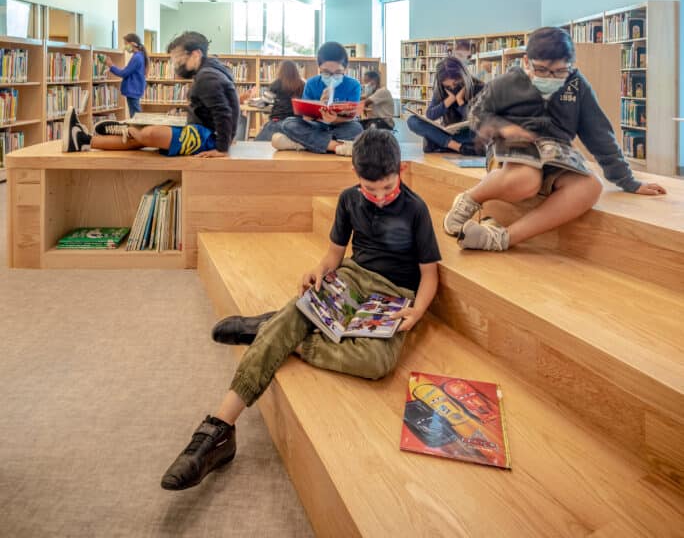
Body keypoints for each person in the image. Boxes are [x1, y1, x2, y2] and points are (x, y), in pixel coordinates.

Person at [159, 129, 441, 491]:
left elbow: (429, 274)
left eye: (388, 188)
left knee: (377, 363)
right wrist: (318, 270)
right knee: (302, 308)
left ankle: (280, 333)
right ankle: (217, 430)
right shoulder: (348, 200)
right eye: (372, 190)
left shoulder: (416, 209)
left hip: (394, 293)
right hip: (352, 278)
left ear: (400, 170)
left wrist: (417, 311)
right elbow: (334, 256)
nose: (381, 197)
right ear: (355, 177)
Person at [443, 27, 667, 251]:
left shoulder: (577, 86)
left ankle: (501, 239)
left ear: (572, 66)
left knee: (591, 186)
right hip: (511, 153)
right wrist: (504, 128)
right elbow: (476, 114)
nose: (550, 77)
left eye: (560, 71)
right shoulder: (508, 82)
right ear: (526, 62)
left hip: (556, 156)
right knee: (526, 179)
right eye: (541, 70)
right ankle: (470, 199)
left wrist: (628, 181)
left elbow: (600, 134)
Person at [62, 31, 240, 158]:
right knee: (143, 138)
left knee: (148, 135)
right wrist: (229, 137)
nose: (176, 65)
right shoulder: (213, 68)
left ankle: (131, 130)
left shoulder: (206, 77)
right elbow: (232, 106)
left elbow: (223, 112)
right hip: (204, 131)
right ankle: (83, 140)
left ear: (196, 54)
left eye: (178, 59)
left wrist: (222, 147)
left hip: (205, 137)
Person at [271, 41, 364, 156]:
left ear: (345, 69)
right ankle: (335, 146)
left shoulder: (354, 85)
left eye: (338, 72)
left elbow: (351, 118)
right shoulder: (311, 83)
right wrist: (319, 105)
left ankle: (301, 143)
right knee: (288, 123)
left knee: (357, 128)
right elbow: (306, 118)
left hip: (341, 127)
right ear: (319, 67)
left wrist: (334, 119)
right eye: (326, 72)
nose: (331, 77)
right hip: (317, 126)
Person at [406, 57, 484, 154]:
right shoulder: (442, 91)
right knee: (412, 121)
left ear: (464, 77)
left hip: (468, 133)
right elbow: (430, 115)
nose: (452, 88)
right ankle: (458, 147)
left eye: (456, 84)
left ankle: (438, 142)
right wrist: (449, 100)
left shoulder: (479, 88)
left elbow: (474, 118)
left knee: (480, 135)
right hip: (449, 133)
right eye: (448, 86)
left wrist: (460, 101)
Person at [255, 59, 305, 141]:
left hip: (278, 121)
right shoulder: (303, 84)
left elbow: (264, 102)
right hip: (297, 123)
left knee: (257, 144)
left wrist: (252, 102)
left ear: (281, 71)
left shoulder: (276, 84)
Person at [105, 32, 148, 118]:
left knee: (136, 115)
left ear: (132, 44)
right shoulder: (139, 56)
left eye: (126, 44)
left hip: (133, 90)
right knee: (135, 114)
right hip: (135, 90)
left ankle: (138, 130)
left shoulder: (137, 57)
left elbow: (124, 73)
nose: (125, 47)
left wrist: (111, 66)